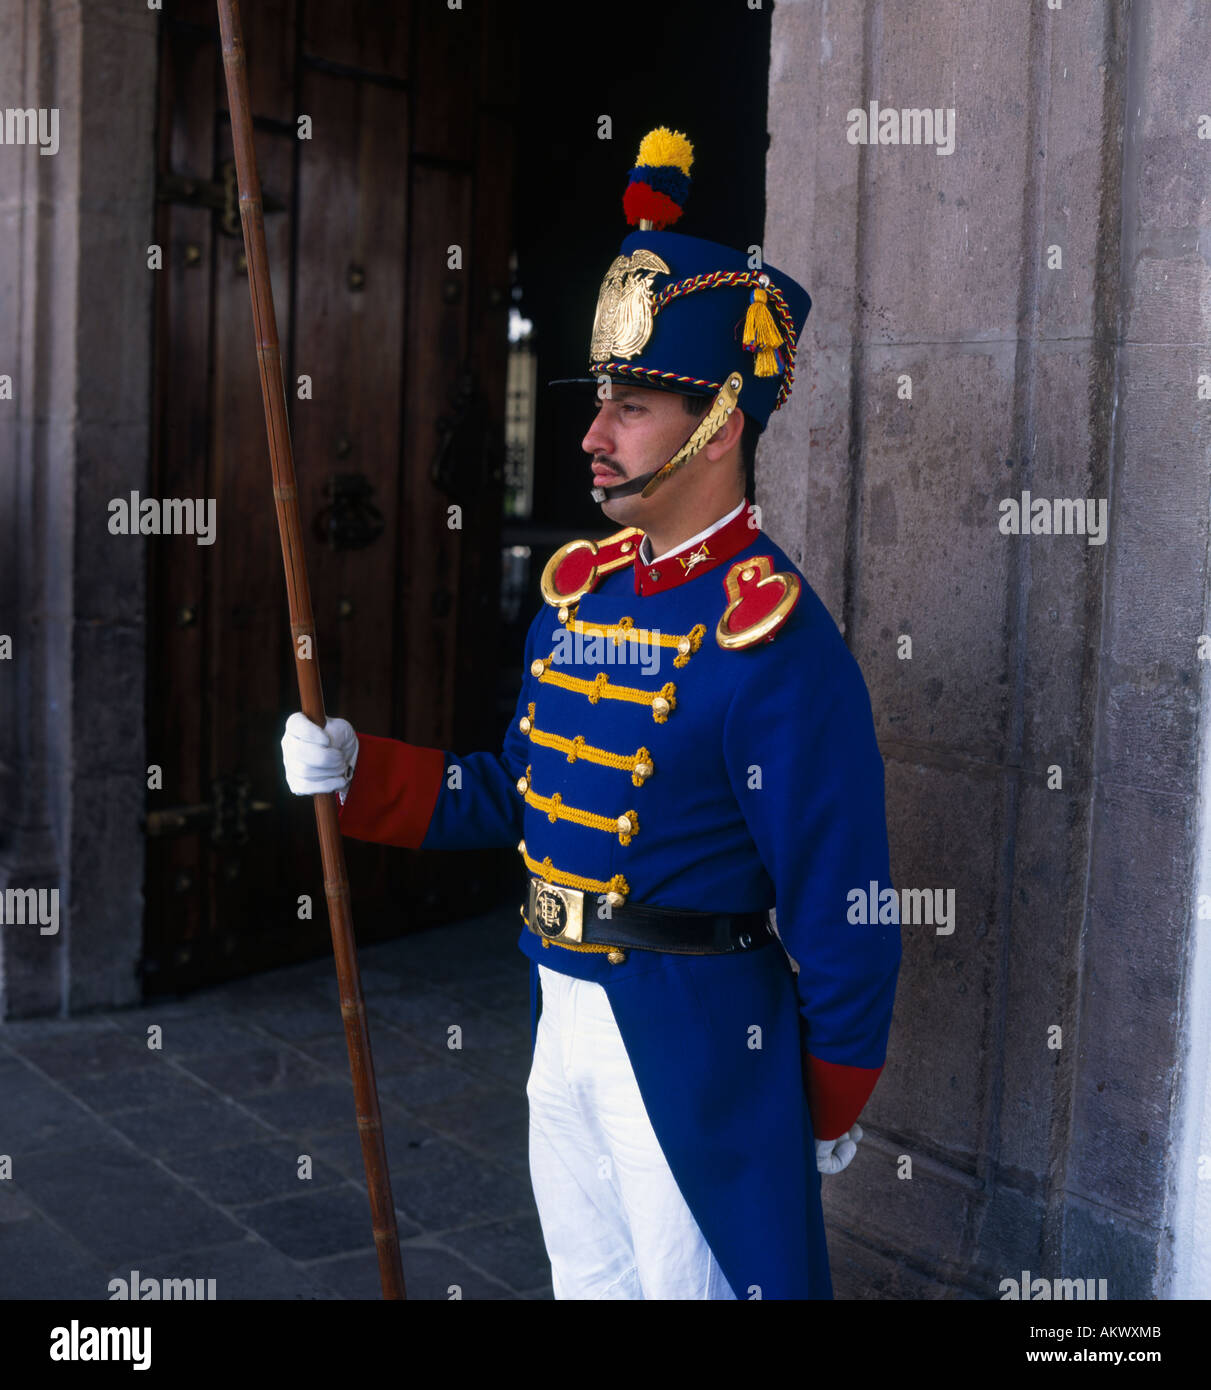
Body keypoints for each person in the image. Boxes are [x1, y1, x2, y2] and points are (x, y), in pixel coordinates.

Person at [281, 128, 901, 1300]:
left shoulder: (775, 643)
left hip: (700, 1039)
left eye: (631, 405)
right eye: (597, 399)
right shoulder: (581, 598)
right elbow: (518, 796)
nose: (591, 433)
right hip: (559, 1011)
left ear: (720, 417)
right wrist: (359, 769)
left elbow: (843, 904)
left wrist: (819, 1096)